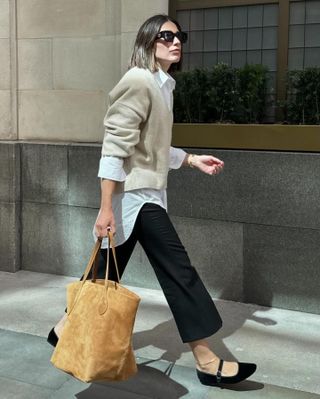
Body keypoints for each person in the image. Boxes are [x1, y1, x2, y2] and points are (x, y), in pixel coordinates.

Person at [48, 14, 256, 386]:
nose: (176, 42)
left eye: (180, 37)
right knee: (180, 272)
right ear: (148, 41)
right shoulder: (139, 80)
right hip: (134, 198)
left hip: (147, 195)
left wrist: (191, 160)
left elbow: (153, 146)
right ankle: (207, 360)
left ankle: (64, 327)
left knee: (104, 273)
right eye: (166, 36)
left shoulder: (163, 85)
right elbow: (115, 146)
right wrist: (106, 207)